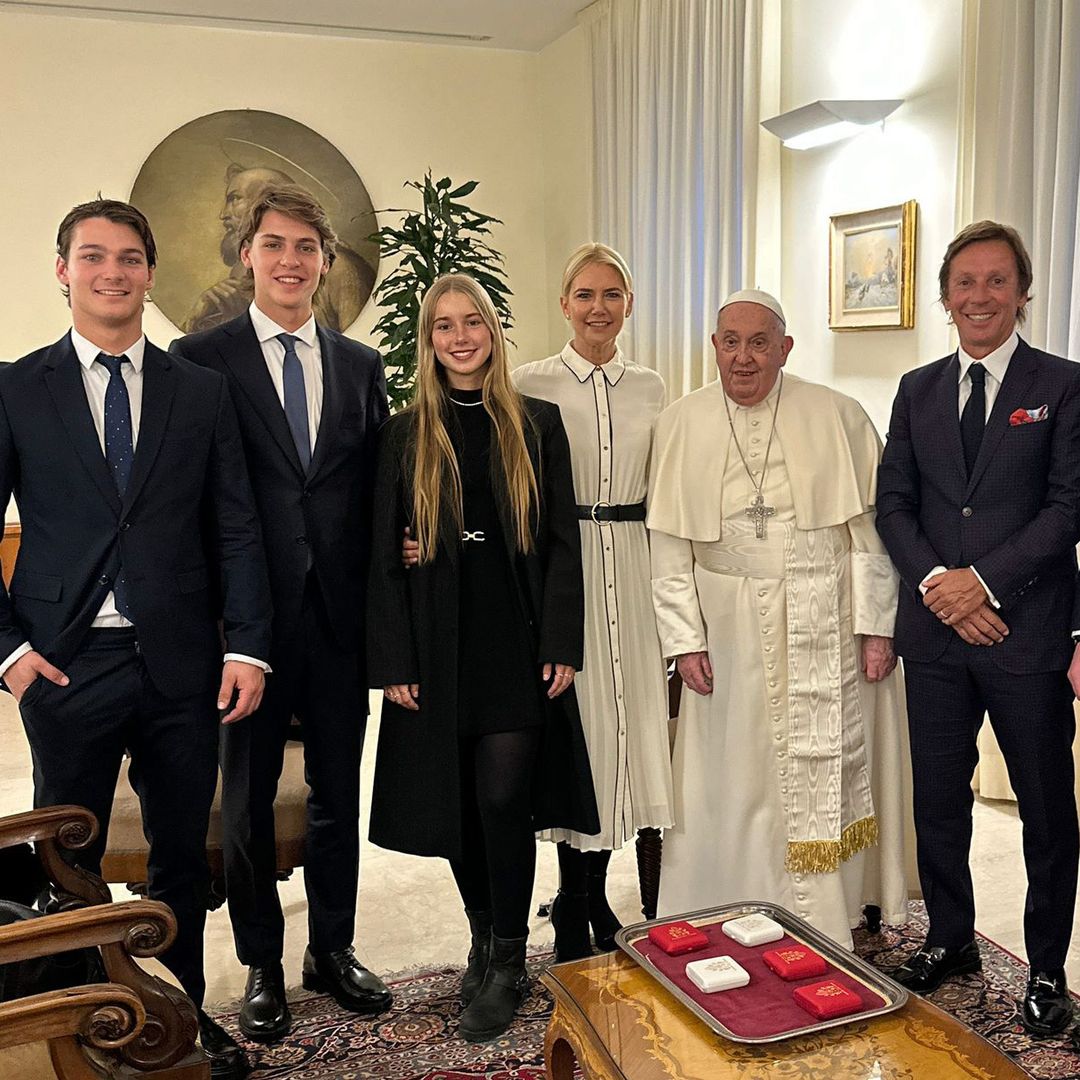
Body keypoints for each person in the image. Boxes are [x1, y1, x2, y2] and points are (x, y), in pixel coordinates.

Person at [0, 199, 273, 1079]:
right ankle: (89, 1017)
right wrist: (11, 654)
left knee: (179, 856)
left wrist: (247, 647)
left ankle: (180, 1015)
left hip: (182, 662)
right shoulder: (16, 387)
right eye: (93, 257)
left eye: (128, 258)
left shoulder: (200, 391)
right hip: (65, 665)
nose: (112, 273)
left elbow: (236, 525)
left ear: (150, 273)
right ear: (63, 270)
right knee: (64, 865)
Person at [171, 184, 391, 1041]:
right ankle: (262, 957)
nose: (291, 260)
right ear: (247, 256)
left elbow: (372, 492)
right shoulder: (200, 360)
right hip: (247, 628)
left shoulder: (359, 365)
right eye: (275, 244)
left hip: (340, 619)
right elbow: (189, 499)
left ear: (326, 261)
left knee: (340, 793)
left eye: (307, 246)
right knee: (249, 800)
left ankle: (329, 949)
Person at [366, 273, 599, 1042]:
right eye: (444, 326)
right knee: (458, 805)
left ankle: (508, 957)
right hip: (436, 642)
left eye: (473, 323)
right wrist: (394, 656)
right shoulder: (405, 434)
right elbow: (381, 555)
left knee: (505, 799)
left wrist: (564, 640)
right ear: (427, 341)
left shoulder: (536, 423)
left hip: (515, 639)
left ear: (494, 334)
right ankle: (482, 933)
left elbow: (566, 542)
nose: (460, 337)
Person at [648, 289, 908, 949]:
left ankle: (827, 910)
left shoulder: (839, 415)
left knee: (823, 767)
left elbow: (871, 535)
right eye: (730, 341)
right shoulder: (681, 422)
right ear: (713, 347)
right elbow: (670, 548)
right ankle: (722, 901)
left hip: (823, 616)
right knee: (730, 773)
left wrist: (877, 628)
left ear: (784, 348)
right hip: (726, 625)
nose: (743, 357)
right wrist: (683, 641)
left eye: (758, 342)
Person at [876, 221, 1080, 1035]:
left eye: (997, 281)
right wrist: (937, 584)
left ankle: (1044, 968)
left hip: (1024, 635)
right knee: (938, 803)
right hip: (932, 638)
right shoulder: (916, 388)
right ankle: (952, 940)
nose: (980, 296)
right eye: (965, 282)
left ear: (1022, 293)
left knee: (1044, 809)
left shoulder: (1062, 385)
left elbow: (1068, 508)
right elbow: (894, 502)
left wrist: (983, 582)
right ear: (945, 296)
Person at [512, 244, 674, 957]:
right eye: (585, 295)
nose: (598, 308)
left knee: (627, 739)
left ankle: (595, 894)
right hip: (563, 566)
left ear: (629, 304)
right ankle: (572, 901)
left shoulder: (652, 387)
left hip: (634, 567)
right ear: (563, 304)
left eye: (612, 295)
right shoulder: (527, 384)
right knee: (574, 738)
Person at [183, 164, 376, 334]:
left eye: (235, 199)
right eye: (273, 246)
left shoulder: (343, 271)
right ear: (246, 255)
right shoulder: (242, 274)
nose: (223, 214)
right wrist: (200, 319)